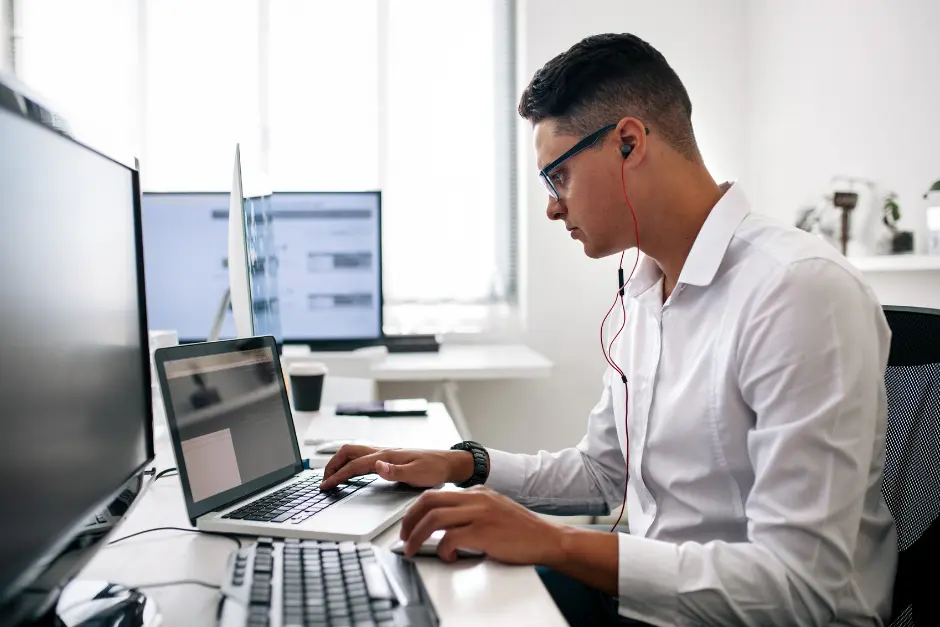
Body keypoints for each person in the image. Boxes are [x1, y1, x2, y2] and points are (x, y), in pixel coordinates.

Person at [319, 33, 898, 626]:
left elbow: (797, 588)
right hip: (648, 603)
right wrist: (463, 465)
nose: (551, 207)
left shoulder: (799, 292)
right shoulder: (642, 287)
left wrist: (556, 542)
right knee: (421, 592)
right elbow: (604, 471)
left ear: (627, 143)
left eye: (558, 177)